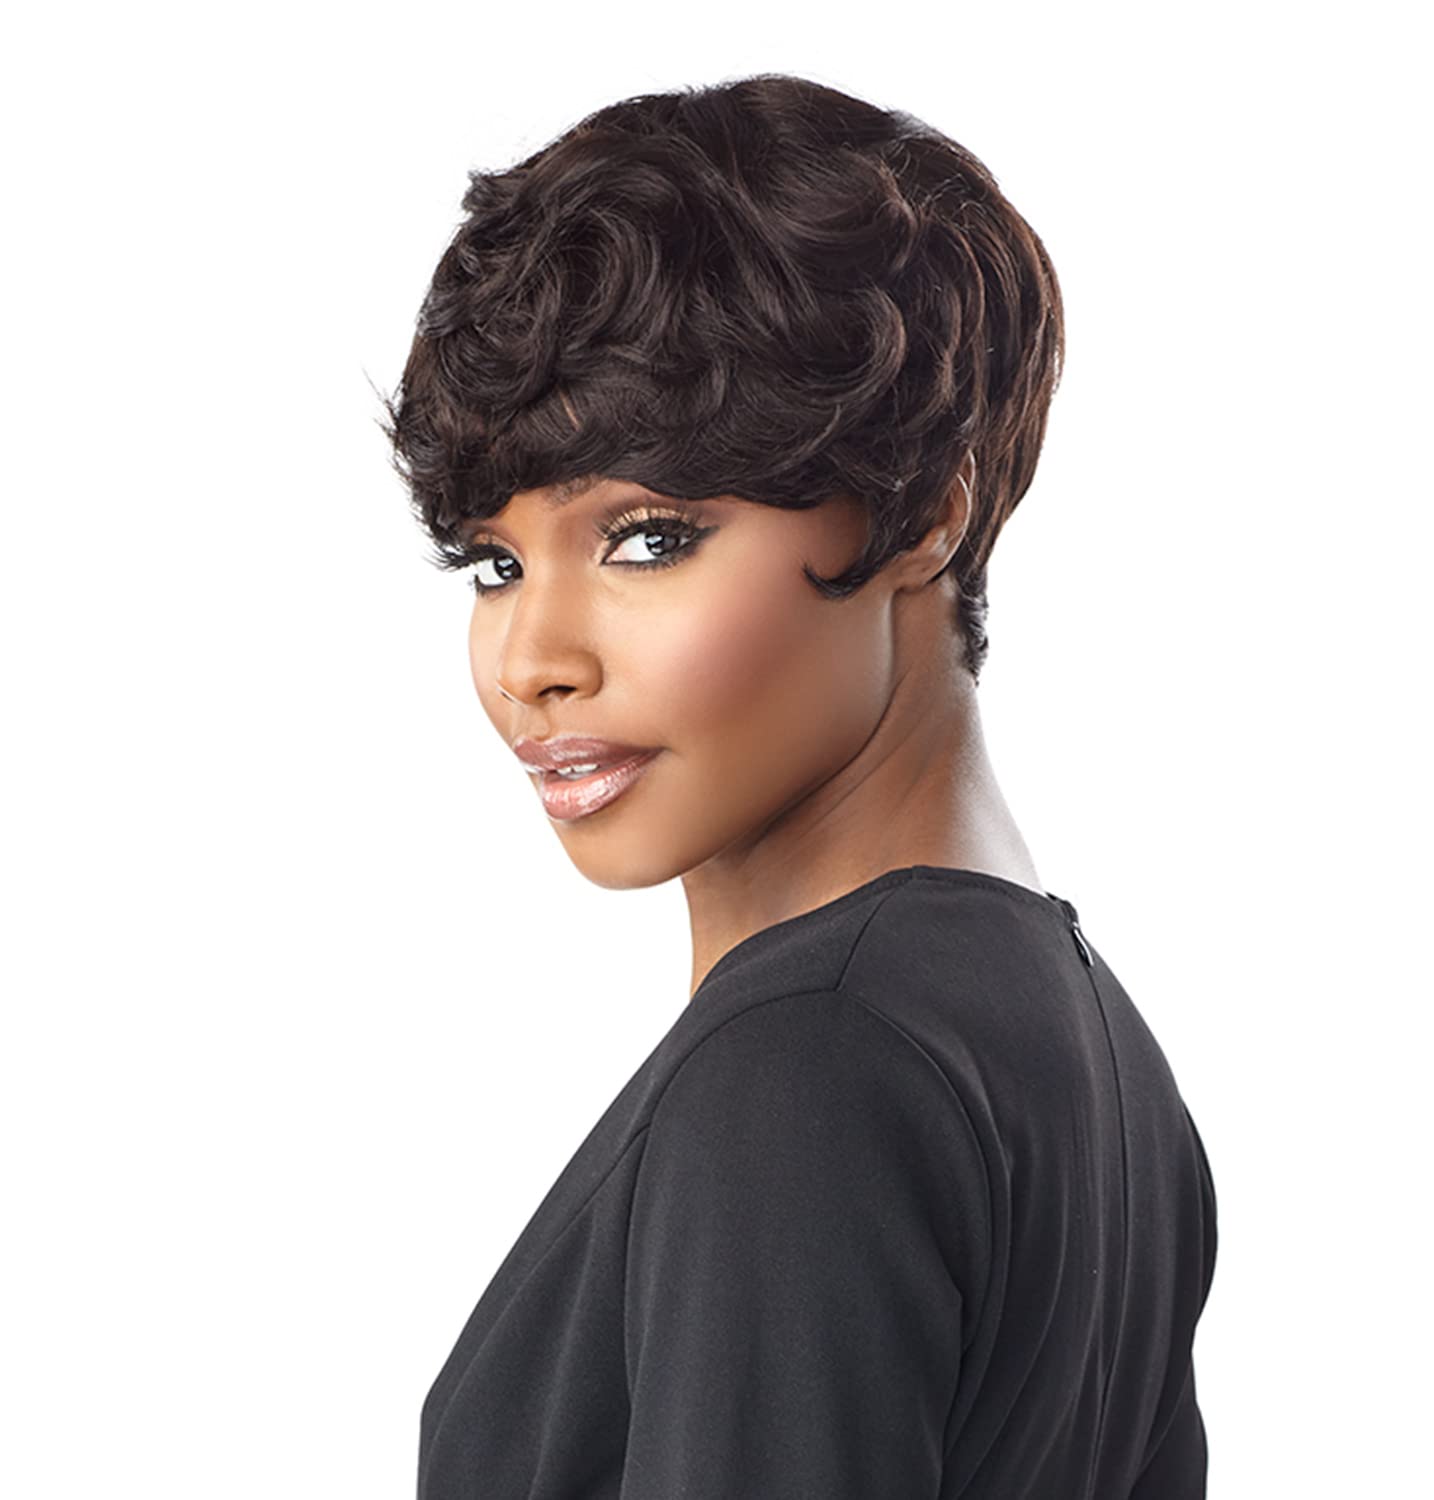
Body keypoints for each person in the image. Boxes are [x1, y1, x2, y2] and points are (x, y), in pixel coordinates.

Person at [380, 71, 1217, 1499]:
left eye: (647, 538)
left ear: (923, 512)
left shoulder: (802, 1071)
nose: (532, 659)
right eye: (496, 563)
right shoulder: (1096, 1054)